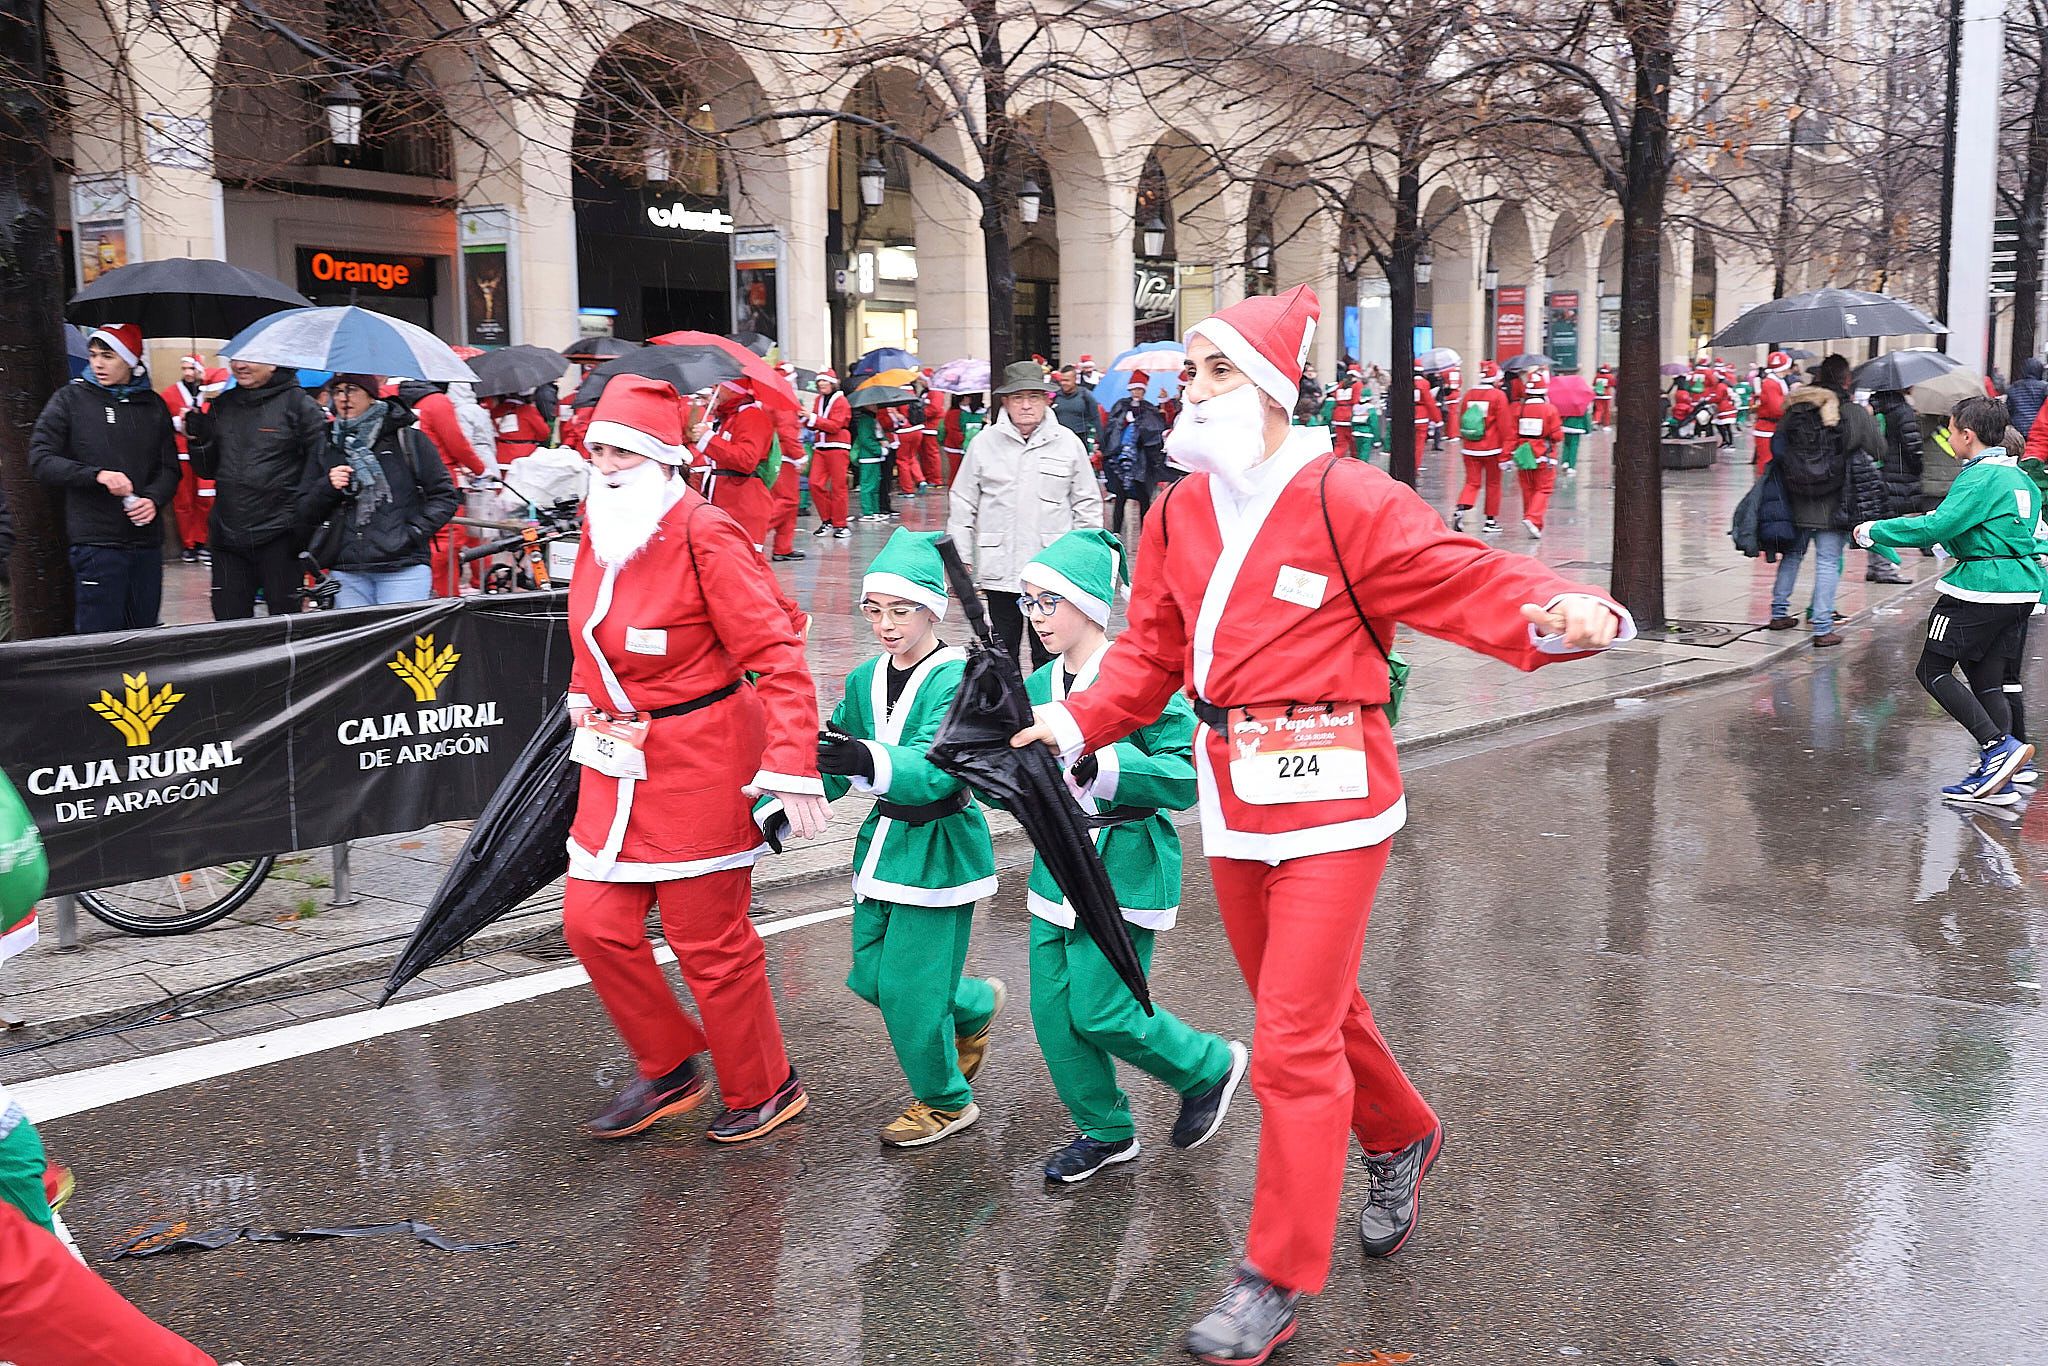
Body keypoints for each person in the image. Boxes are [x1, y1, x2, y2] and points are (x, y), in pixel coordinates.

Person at [1011, 286, 1629, 1366]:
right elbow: (1149, 657)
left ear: (1259, 386)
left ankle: (1271, 1276)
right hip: (1234, 791)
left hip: (1338, 796)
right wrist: (1065, 720)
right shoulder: (1177, 512)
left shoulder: (1347, 493)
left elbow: (1460, 574)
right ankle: (1399, 1132)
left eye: (1203, 372)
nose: (1179, 392)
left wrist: (1563, 608)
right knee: (1312, 1003)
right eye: (1184, 373)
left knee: (1291, 1036)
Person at [563, 373, 827, 1144]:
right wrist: (585, 690)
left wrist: (789, 760)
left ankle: (764, 1084)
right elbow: (590, 630)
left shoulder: (702, 530)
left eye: (623, 449)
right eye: (598, 448)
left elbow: (777, 651)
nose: (607, 463)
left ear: (660, 455)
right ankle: (671, 1063)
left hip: (703, 761)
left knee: (707, 942)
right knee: (591, 924)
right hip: (618, 760)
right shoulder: (600, 521)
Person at [1016, 528, 1247, 1184]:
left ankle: (1207, 1067)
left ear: (1089, 604)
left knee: (1102, 1009)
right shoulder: (1037, 681)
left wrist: (1105, 765)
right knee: (1054, 1018)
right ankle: (1106, 1131)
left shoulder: (1143, 677)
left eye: (1047, 603)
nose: (1035, 618)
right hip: (1055, 865)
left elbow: (1186, 770)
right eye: (1028, 604)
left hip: (1127, 864)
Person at [814, 529, 1004, 1147]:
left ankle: (946, 1101)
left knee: (907, 994)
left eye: (902, 612)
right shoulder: (864, 676)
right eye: (875, 611)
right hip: (883, 842)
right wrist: (776, 806)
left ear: (931, 609)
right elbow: (834, 757)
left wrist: (858, 758)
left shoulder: (960, 676)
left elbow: (933, 768)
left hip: (940, 845)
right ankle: (971, 1005)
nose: (887, 625)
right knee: (868, 978)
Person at [1854, 395, 2044, 804]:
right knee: (1986, 680)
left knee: (1933, 670)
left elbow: (1935, 525)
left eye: (1952, 430)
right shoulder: (2018, 476)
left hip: (1981, 586)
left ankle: (1997, 749)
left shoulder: (1981, 477)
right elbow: (1998, 530)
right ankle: (2000, 780)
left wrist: (1875, 529)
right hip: (2019, 587)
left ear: (1967, 434)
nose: (1949, 437)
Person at [948, 361, 1104, 669]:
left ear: (1047, 400)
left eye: (1034, 397)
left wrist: (1085, 562)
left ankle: (1047, 711)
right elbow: (962, 502)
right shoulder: (984, 444)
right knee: (1001, 652)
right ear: (1005, 402)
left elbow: (1087, 505)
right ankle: (1011, 715)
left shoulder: (1068, 444)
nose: (1026, 405)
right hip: (1000, 569)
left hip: (1052, 569)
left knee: (1050, 652)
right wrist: (960, 556)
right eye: (1018, 398)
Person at [28, 324, 180, 634]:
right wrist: (96, 475)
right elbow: (41, 460)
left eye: (108, 356)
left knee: (142, 635)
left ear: (130, 360)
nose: (98, 363)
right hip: (96, 543)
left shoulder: (153, 406)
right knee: (99, 641)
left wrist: (153, 498)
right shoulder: (70, 399)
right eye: (94, 355)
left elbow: (169, 469)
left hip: (145, 544)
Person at [186, 355, 340, 620]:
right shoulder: (223, 404)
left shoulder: (300, 406)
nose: (240, 365)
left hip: (280, 538)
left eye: (251, 359)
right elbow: (206, 470)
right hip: (227, 536)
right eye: (236, 359)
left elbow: (318, 470)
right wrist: (198, 439)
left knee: (284, 626)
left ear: (274, 362)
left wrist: (300, 522)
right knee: (228, 626)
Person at [302, 375, 458, 607]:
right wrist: (328, 486)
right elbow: (305, 507)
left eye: (352, 389)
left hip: (404, 565)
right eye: (337, 391)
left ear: (371, 395)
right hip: (347, 567)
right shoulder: (326, 443)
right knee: (358, 640)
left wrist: (413, 532)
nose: (344, 398)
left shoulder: (407, 439)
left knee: (402, 639)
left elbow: (445, 495)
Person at [1766, 354, 1883, 647]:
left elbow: (1776, 447)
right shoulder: (1852, 412)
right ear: (1846, 380)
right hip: (1835, 500)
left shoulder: (1796, 409)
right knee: (1828, 561)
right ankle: (1822, 627)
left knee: (1792, 555)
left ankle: (1779, 613)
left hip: (1796, 497)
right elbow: (1879, 449)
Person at [396, 379, 489, 597]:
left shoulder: (399, 398)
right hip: (440, 482)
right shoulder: (437, 402)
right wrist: (479, 469)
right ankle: (446, 603)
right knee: (446, 543)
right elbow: (457, 444)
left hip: (407, 482)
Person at [689, 379, 776, 551]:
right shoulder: (729, 417)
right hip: (726, 502)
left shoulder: (752, 416)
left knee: (743, 563)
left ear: (733, 389)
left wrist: (709, 439)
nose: (714, 389)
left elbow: (746, 460)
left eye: (718, 385)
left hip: (741, 505)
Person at [160, 355, 218, 563]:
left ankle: (203, 540)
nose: (187, 373)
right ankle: (189, 544)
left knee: (206, 498)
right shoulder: (170, 394)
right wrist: (180, 421)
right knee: (183, 501)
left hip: (204, 453)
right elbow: (163, 422)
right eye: (184, 368)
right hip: (182, 454)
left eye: (191, 368)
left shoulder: (210, 392)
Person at [1866, 387, 1925, 585]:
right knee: (1889, 521)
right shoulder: (1903, 411)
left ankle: (1875, 566)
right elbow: (1912, 445)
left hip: (1878, 469)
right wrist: (1917, 467)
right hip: (1899, 471)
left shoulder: (1875, 408)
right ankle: (1885, 568)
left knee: (1878, 517)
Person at [1451, 359, 1511, 533]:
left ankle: (1461, 508)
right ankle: (1490, 521)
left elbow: (1462, 417)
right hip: (1492, 448)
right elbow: (1504, 425)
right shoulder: (1498, 396)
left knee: (1472, 482)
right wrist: (1507, 451)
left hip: (1469, 447)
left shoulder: (1469, 394)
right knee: (1493, 483)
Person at [1104, 372, 1168, 535]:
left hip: (1141, 461)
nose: (1136, 392)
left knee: (1143, 497)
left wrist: (1161, 407)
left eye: (1139, 389)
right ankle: (1116, 531)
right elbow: (1113, 426)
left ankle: (1145, 533)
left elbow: (1156, 429)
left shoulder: (1149, 408)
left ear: (1144, 391)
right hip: (1122, 460)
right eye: (1134, 389)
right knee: (1120, 496)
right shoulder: (1122, 405)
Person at [1504, 365, 1564, 538]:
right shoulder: (1549, 409)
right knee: (1544, 488)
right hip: (1544, 455)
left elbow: (1512, 434)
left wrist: (1506, 456)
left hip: (1524, 454)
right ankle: (1533, 517)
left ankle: (1533, 522)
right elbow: (1556, 435)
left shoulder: (1519, 409)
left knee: (1528, 488)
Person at [767, 364, 809, 562]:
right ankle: (754, 534)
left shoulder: (775, 398)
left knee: (789, 504)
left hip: (781, 455)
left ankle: (783, 547)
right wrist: (800, 455)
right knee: (788, 501)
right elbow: (786, 432)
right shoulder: (783, 400)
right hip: (785, 457)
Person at [806, 370, 853, 538]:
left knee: (838, 487)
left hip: (838, 446)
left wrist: (812, 418)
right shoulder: (819, 400)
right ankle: (827, 520)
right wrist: (805, 418)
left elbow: (835, 426)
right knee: (814, 484)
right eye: (819, 382)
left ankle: (841, 524)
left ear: (833, 383)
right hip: (821, 446)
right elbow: (816, 423)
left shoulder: (842, 401)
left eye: (824, 381)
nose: (821, 384)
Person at [1050, 366, 1104, 459]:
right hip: (1059, 440)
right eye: (1061, 380)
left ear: (1075, 379)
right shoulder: (1055, 396)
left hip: (1081, 439)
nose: (1063, 383)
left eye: (1067, 380)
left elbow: (1096, 418)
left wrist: (1101, 443)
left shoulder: (1085, 395)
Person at [1752, 350, 1794, 470]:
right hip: (1768, 428)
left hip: (1772, 428)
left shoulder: (1775, 383)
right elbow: (1777, 409)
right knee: (1767, 464)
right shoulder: (1771, 384)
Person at [486, 389, 550, 465]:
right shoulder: (529, 410)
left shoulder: (495, 411)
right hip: (526, 454)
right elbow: (544, 433)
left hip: (501, 454)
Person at [1328, 364, 1366, 460]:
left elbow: (1335, 396)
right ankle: (1355, 461)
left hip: (1338, 415)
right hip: (1350, 415)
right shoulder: (1358, 385)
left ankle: (1334, 461)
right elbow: (1355, 400)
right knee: (1353, 442)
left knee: (1340, 442)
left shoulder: (1341, 384)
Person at [2007, 357, 2047, 437]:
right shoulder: (2044, 387)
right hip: (2035, 428)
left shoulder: (2014, 386)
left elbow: (2009, 407)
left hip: (2017, 428)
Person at [1591, 363, 1615, 427]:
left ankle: (1595, 423)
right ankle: (1606, 425)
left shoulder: (1597, 376)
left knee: (1598, 410)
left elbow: (1594, 384)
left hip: (1597, 395)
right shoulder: (1610, 376)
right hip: (1606, 395)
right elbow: (1612, 384)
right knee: (1606, 410)